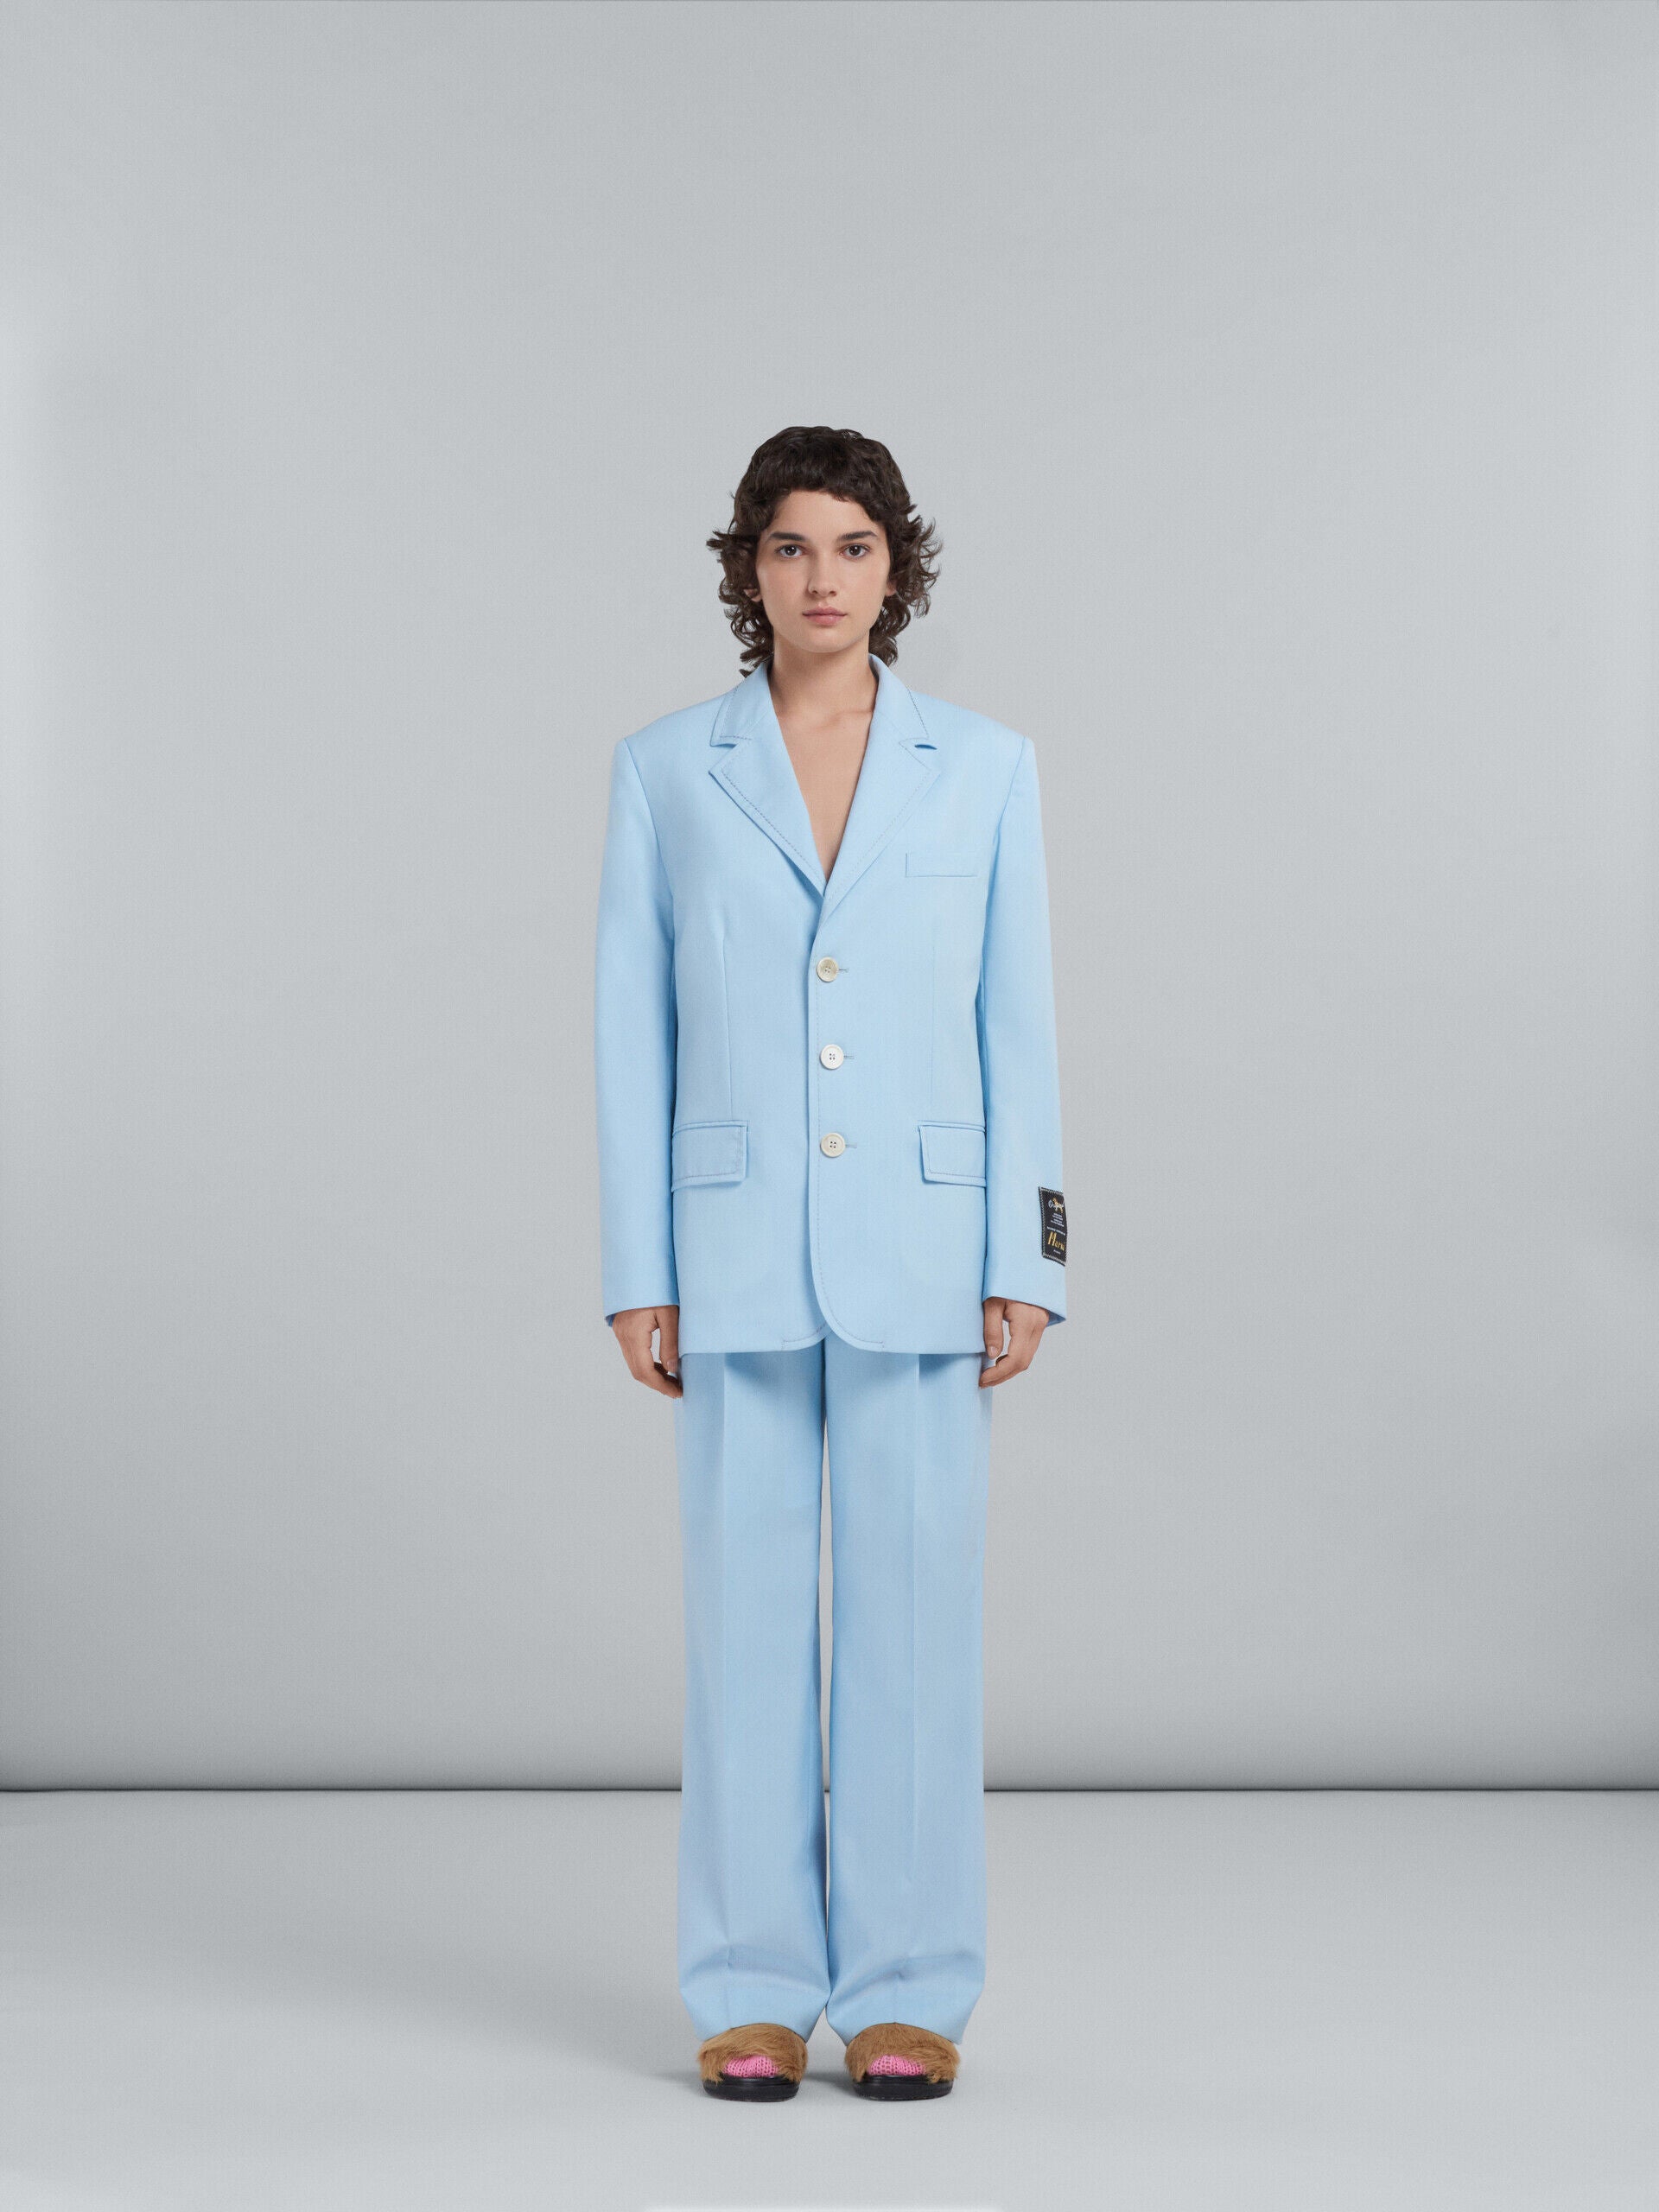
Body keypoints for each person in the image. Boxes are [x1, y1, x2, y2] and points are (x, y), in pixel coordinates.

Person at [594, 425, 1067, 2101]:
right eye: (791, 546)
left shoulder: (985, 766)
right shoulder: (667, 769)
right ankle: (747, 1983)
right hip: (727, 1251)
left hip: (930, 1254)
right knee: (743, 1627)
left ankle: (908, 1988)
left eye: (854, 547)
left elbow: (1020, 1023)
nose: (822, 578)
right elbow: (631, 1032)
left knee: (917, 1626)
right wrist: (637, 1267)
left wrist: (1028, 1255)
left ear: (895, 566)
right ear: (749, 567)